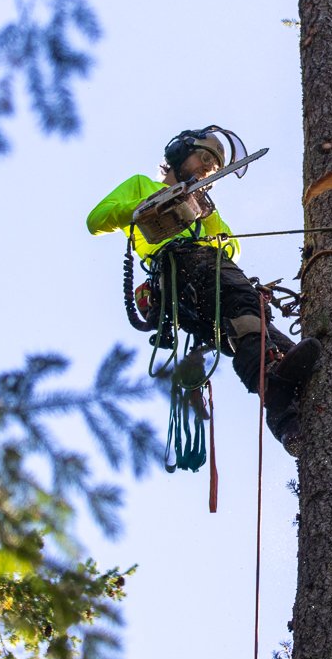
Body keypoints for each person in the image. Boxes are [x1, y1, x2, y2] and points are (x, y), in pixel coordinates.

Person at [87, 126, 319, 454]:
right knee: (245, 304)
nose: (207, 169)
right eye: (205, 158)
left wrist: (206, 215)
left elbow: (232, 248)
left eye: (213, 167)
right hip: (177, 266)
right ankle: (271, 376)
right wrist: (149, 205)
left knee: (265, 333)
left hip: (206, 279)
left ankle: (289, 426)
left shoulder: (201, 205)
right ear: (181, 153)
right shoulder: (143, 185)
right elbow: (95, 220)